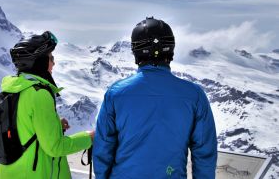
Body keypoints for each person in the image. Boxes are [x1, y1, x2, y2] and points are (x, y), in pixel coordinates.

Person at [93, 17, 217, 179]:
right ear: (171, 48)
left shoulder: (116, 93)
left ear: (135, 50)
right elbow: (204, 152)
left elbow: (103, 148)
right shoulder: (194, 95)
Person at [0, 31, 94, 179]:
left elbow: (23, 128)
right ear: (39, 62)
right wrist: (89, 137)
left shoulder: (15, 88)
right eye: (50, 58)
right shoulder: (39, 94)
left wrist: (54, 125)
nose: (53, 63)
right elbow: (55, 148)